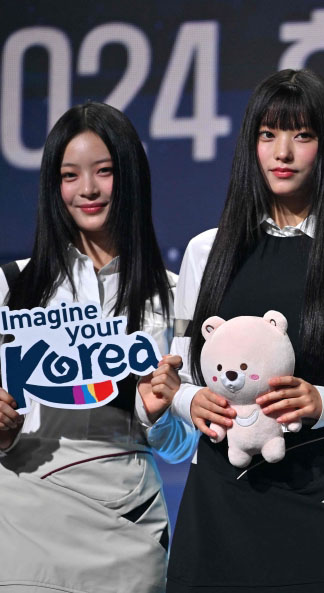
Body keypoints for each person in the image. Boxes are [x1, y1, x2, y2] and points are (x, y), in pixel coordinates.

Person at [165, 69, 324, 593]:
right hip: (221, 498)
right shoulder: (207, 252)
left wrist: (323, 401)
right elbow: (177, 380)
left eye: (303, 135)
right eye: (268, 134)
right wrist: (190, 402)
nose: (283, 152)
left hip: (323, 496)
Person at [0, 102, 195, 593]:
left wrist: (157, 414)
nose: (87, 189)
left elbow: (184, 446)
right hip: (23, 516)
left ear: (130, 177)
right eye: (70, 175)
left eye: (104, 172)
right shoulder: (10, 287)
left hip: (128, 524)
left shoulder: (174, 296)